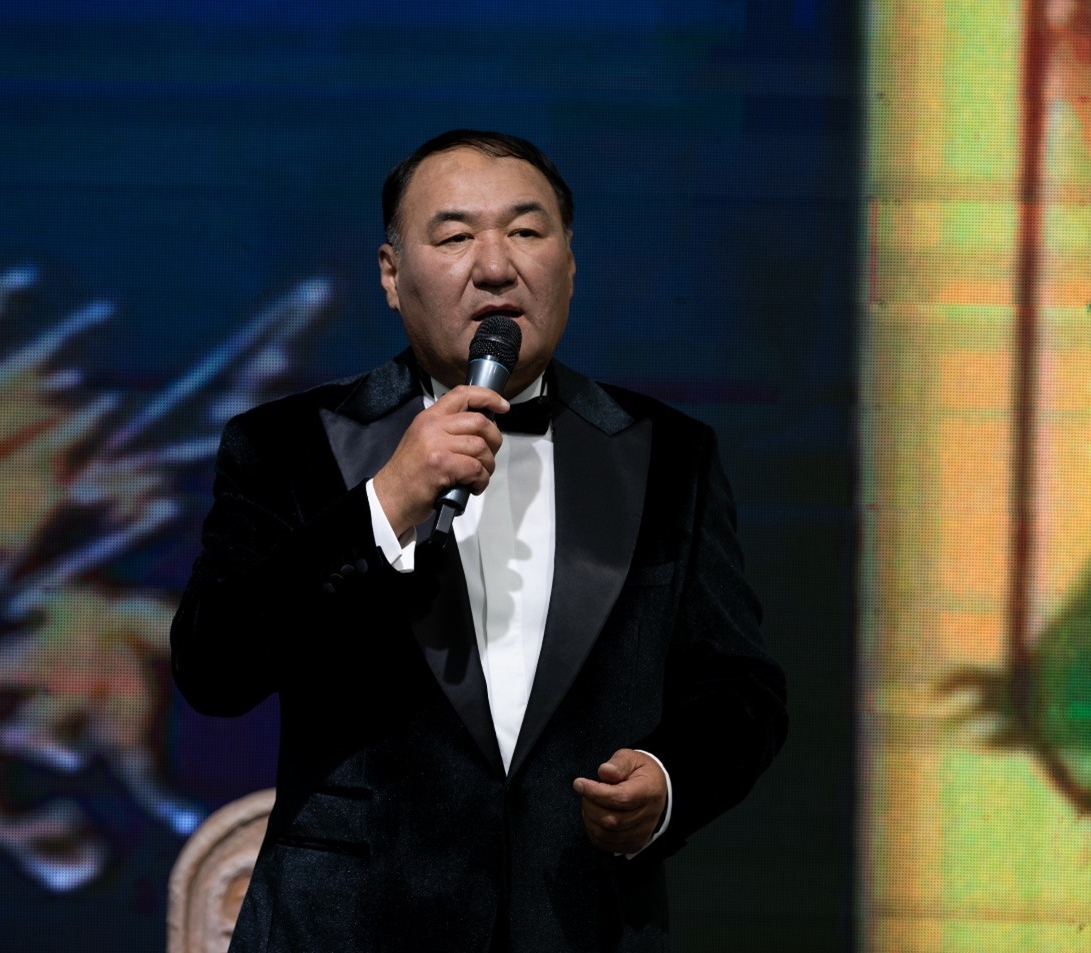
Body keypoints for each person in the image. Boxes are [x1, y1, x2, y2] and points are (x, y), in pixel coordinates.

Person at [170, 129, 787, 953]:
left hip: (582, 923)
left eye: (526, 231)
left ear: (571, 263)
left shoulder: (670, 455)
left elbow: (739, 689)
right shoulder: (286, 445)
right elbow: (213, 666)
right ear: (391, 275)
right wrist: (386, 501)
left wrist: (668, 779)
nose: (495, 266)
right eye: (455, 236)